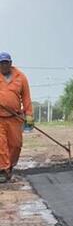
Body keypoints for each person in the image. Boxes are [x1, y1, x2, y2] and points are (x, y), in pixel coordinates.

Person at [0, 52, 33, 183]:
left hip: (15, 117)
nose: (3, 65)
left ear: (10, 63)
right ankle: (2, 170)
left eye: (6, 62)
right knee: (1, 145)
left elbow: (26, 97)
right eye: (1, 63)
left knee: (16, 145)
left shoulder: (21, 77)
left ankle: (10, 167)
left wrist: (29, 114)